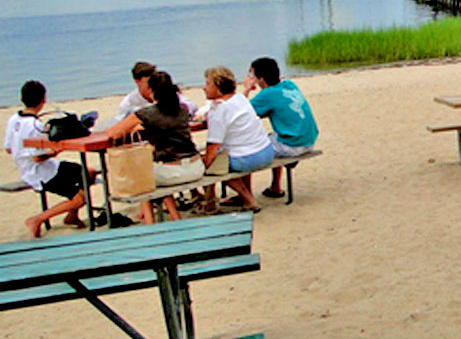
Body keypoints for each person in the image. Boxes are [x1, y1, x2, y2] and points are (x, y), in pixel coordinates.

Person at [108, 71, 204, 223]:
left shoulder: (147, 113)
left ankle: (150, 222)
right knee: (155, 172)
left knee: (143, 177)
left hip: (171, 172)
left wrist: (138, 126)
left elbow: (114, 132)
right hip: (196, 167)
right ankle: (175, 217)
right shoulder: (183, 109)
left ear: (151, 91)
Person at [4, 81, 93, 238]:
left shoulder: (13, 119)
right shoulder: (34, 125)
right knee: (79, 199)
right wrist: (54, 152)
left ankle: (72, 216)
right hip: (42, 173)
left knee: (88, 172)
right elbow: (38, 157)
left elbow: (8, 148)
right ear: (43, 99)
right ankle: (37, 219)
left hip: (37, 167)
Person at [242, 57, 318, 198]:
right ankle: (275, 186)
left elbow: (239, 112)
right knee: (272, 136)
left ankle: (246, 195)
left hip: (292, 145)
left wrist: (246, 89)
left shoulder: (267, 94)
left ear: (261, 78)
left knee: (245, 148)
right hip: (308, 140)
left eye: (251, 74)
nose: (250, 77)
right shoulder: (289, 85)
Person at [202, 66, 273, 212]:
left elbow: (212, 148)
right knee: (235, 151)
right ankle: (241, 196)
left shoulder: (219, 110)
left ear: (219, 88)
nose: (204, 88)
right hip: (266, 151)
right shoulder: (240, 98)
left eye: (208, 84)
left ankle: (247, 199)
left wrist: (203, 168)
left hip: (248, 158)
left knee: (212, 164)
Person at [111, 62, 198, 124]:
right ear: (137, 81)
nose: (153, 85)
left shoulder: (163, 92)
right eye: (149, 82)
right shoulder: (129, 102)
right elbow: (120, 122)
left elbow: (191, 105)